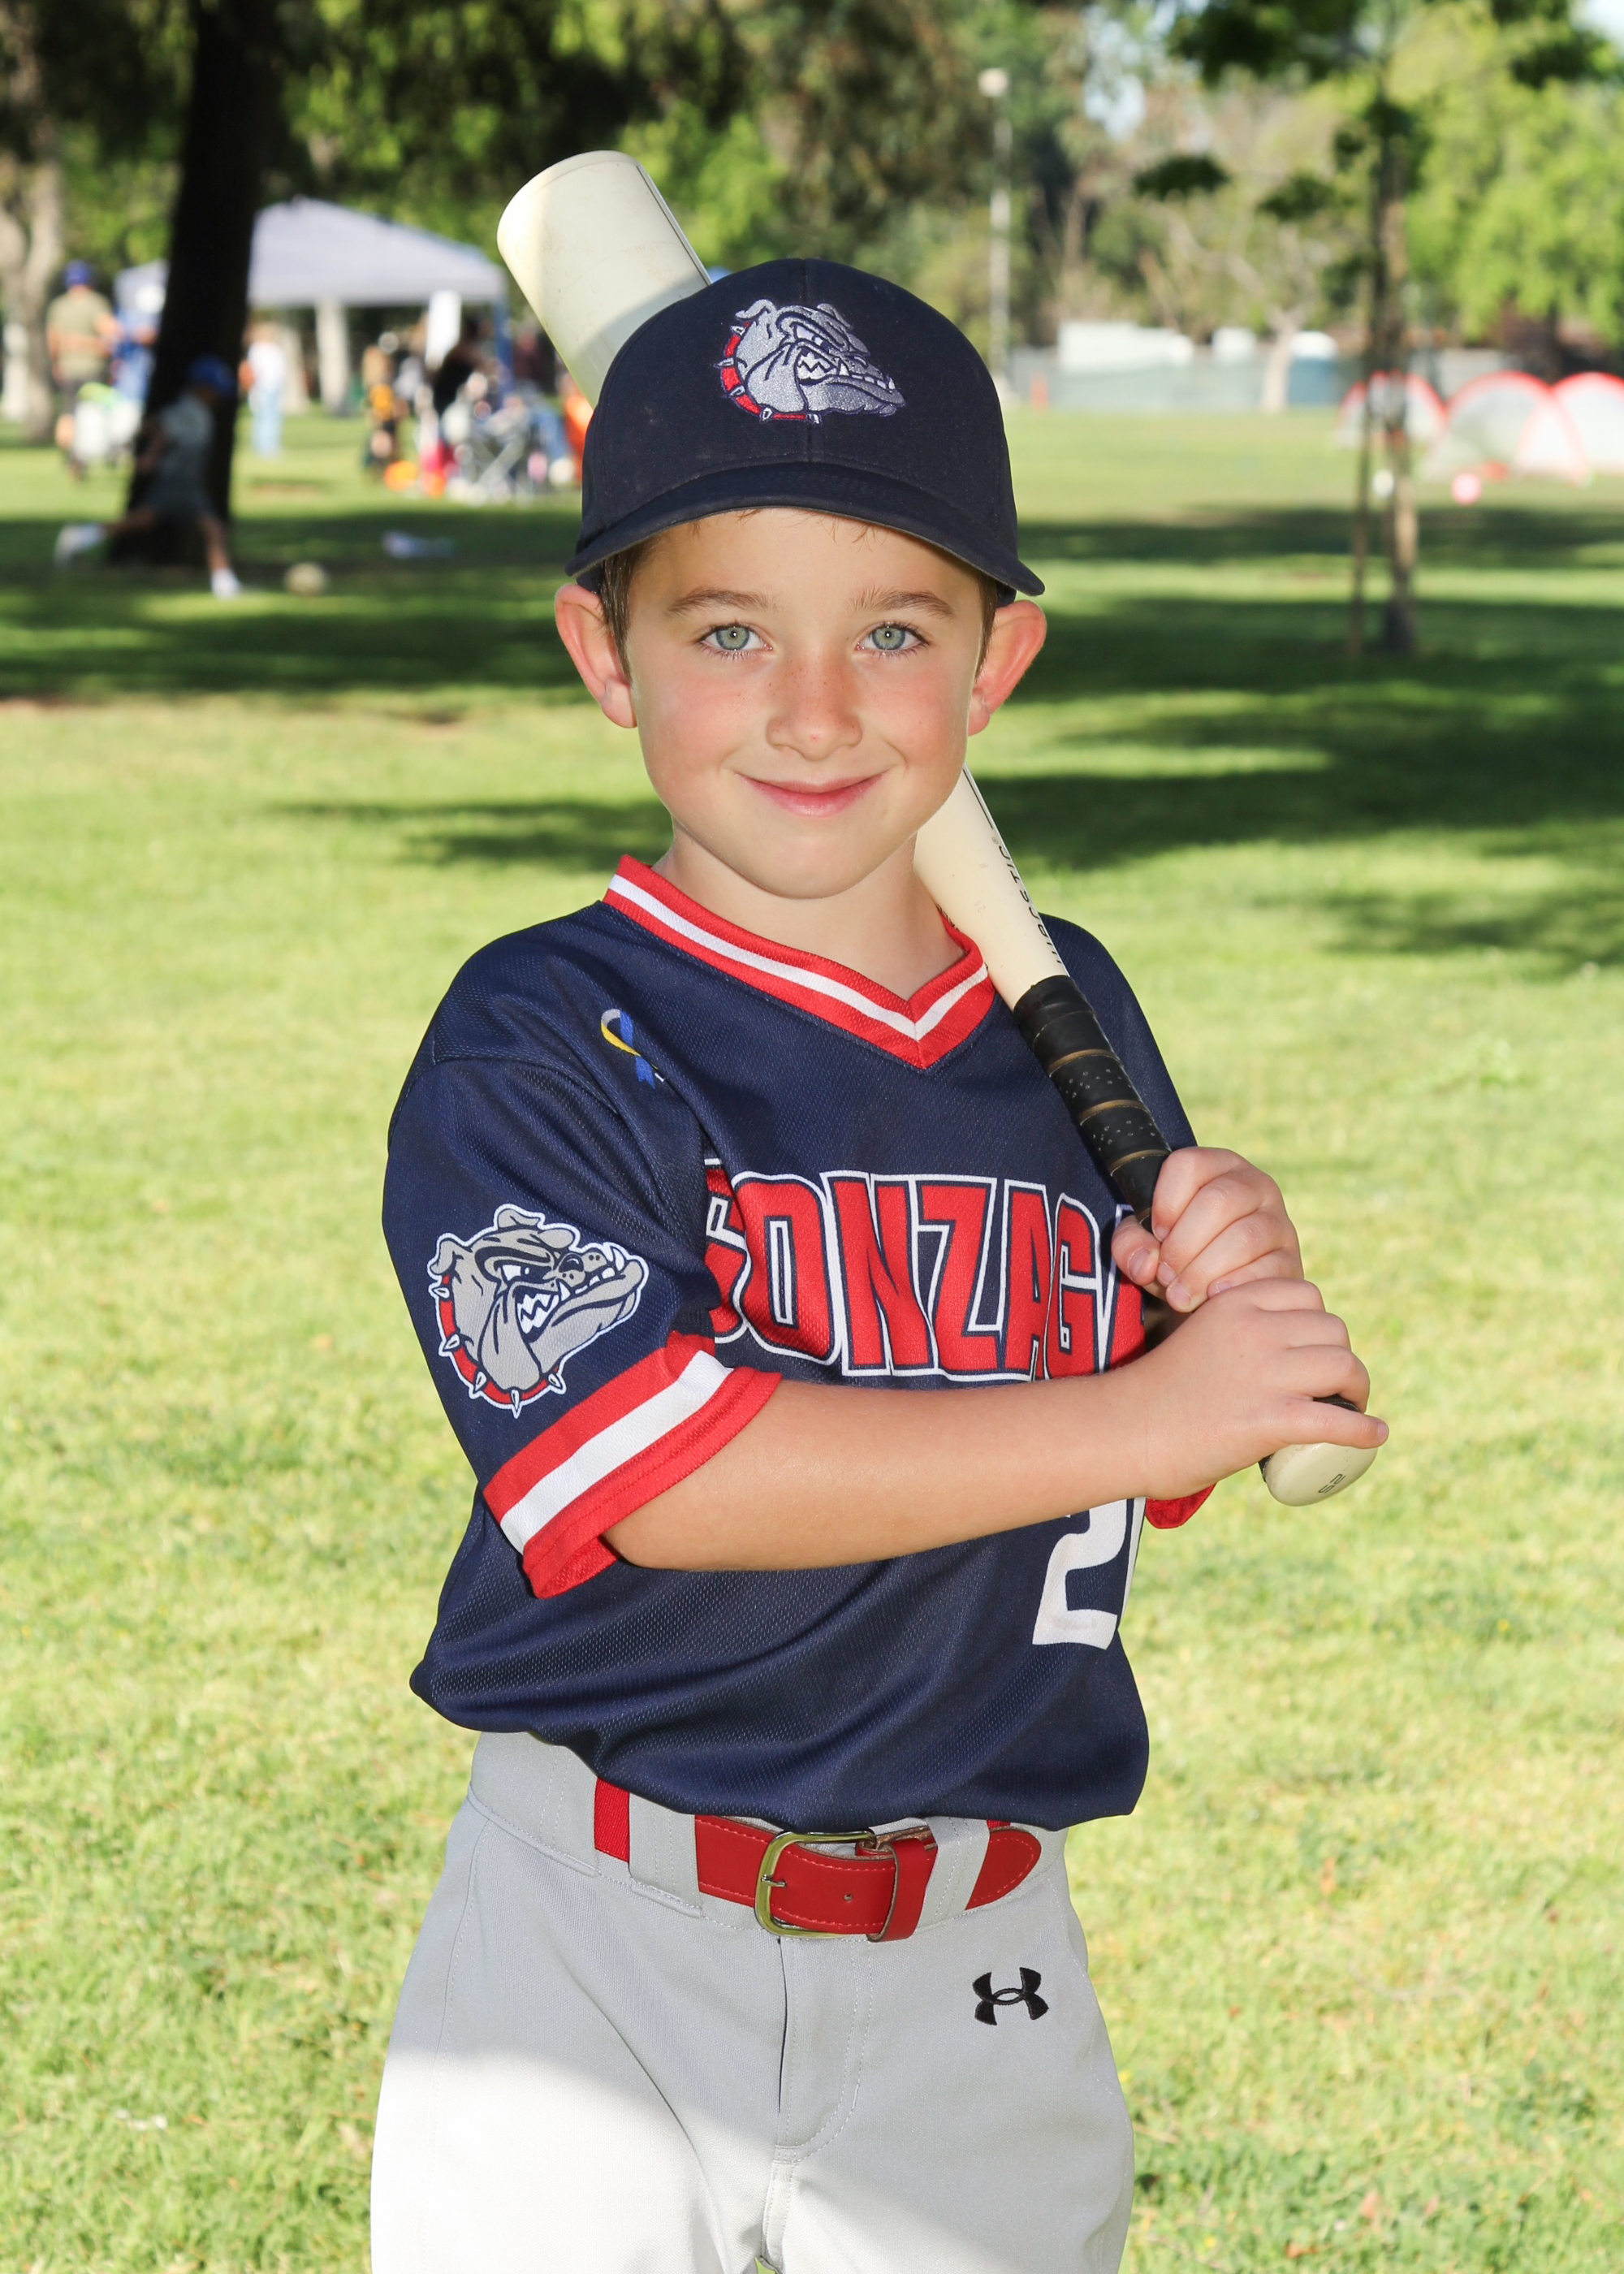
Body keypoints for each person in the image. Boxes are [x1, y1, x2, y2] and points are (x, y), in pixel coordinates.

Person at [370, 262, 1384, 2274]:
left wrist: (1208, 1306)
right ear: (603, 652)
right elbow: (662, 1477)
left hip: (977, 1968)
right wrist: (1145, 1406)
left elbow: (1121, 1441)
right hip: (591, 1951)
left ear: (996, 663)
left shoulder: (1062, 1009)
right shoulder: (537, 1033)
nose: (816, 710)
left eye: (894, 631)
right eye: (728, 630)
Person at [54, 354, 243, 598]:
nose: (217, 396)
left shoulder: (198, 410)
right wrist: (150, 456)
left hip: (186, 482)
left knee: (143, 521)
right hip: (177, 481)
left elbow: (157, 424)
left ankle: (80, 537)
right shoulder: (189, 409)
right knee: (211, 528)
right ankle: (224, 584)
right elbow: (164, 429)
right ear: (202, 387)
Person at [45, 262, 118, 471]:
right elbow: (111, 336)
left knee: (68, 413)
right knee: (92, 413)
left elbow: (53, 339)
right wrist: (92, 345)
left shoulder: (59, 306)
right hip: (93, 368)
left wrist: (56, 363)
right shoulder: (97, 304)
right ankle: (86, 454)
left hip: (68, 368)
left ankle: (71, 454)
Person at [244, 324, 287, 458]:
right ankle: (263, 446)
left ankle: (271, 444)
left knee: (274, 416)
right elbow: (256, 369)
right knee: (265, 416)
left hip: (275, 385)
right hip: (264, 386)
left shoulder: (274, 348)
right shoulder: (258, 349)